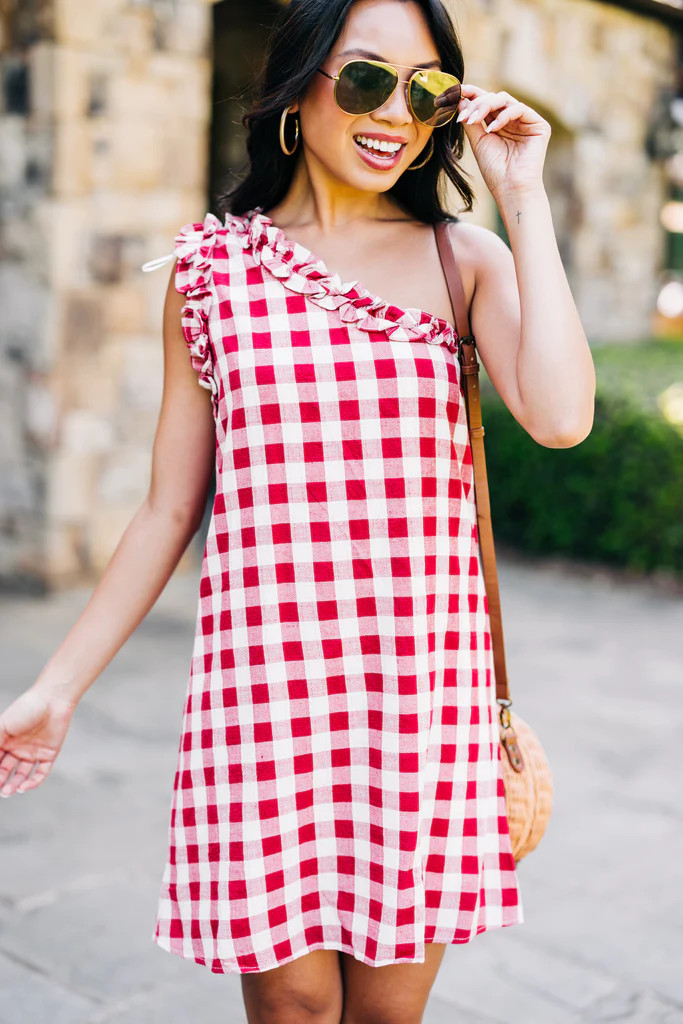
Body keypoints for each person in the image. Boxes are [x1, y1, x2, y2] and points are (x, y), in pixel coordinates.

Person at [0, 0, 595, 1020]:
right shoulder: (211, 270)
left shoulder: (466, 261)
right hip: (264, 691)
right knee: (293, 1010)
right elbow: (165, 509)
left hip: (419, 700)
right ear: (298, 87)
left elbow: (558, 416)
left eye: (427, 92)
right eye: (364, 78)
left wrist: (521, 197)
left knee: (383, 1015)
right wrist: (58, 687)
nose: (392, 114)